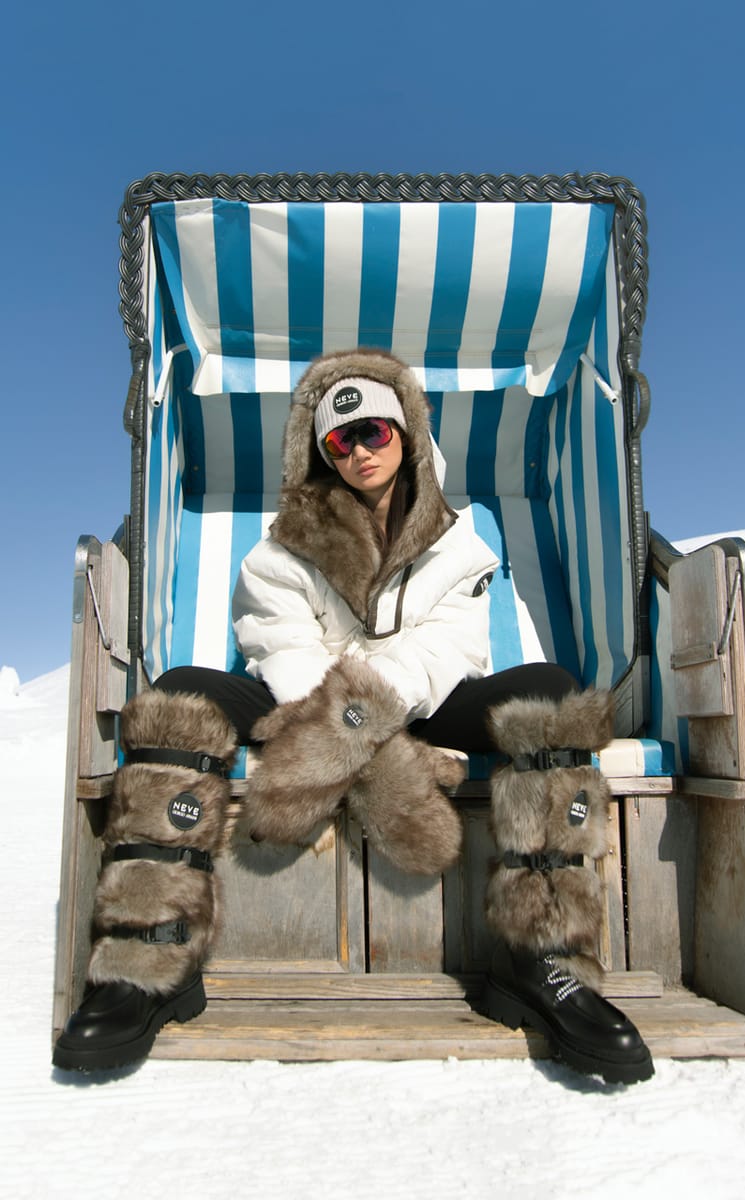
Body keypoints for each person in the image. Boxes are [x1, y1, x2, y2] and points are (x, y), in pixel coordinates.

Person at [53, 348, 653, 1084]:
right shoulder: (282, 548)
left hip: (418, 703)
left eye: (374, 431)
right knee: (180, 695)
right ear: (321, 452)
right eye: (339, 440)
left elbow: (446, 651)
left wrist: (362, 722)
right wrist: (359, 735)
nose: (359, 450)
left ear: (407, 434)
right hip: (304, 702)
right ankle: (149, 957)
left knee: (553, 695)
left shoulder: (458, 546)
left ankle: (545, 957)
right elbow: (280, 642)